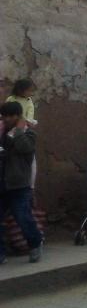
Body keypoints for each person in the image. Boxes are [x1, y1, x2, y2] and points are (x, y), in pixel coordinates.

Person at [0, 101, 42, 264]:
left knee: (22, 217)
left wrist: (18, 130)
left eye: (9, 116)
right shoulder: (2, 132)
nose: (6, 119)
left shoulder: (28, 134)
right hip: (2, 183)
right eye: (4, 116)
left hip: (19, 184)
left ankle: (35, 243)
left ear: (17, 116)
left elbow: (25, 148)